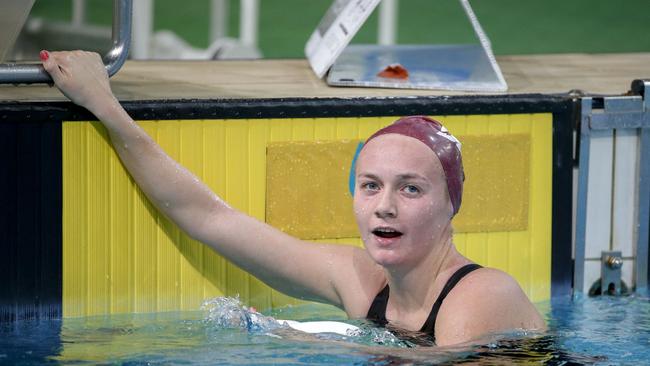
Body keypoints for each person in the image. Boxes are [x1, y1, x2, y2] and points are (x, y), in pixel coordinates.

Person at [40, 50, 545, 346]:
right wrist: (104, 104)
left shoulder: (482, 295)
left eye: (410, 188)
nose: (384, 206)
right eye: (370, 186)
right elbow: (208, 217)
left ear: (450, 205)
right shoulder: (357, 281)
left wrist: (307, 339)